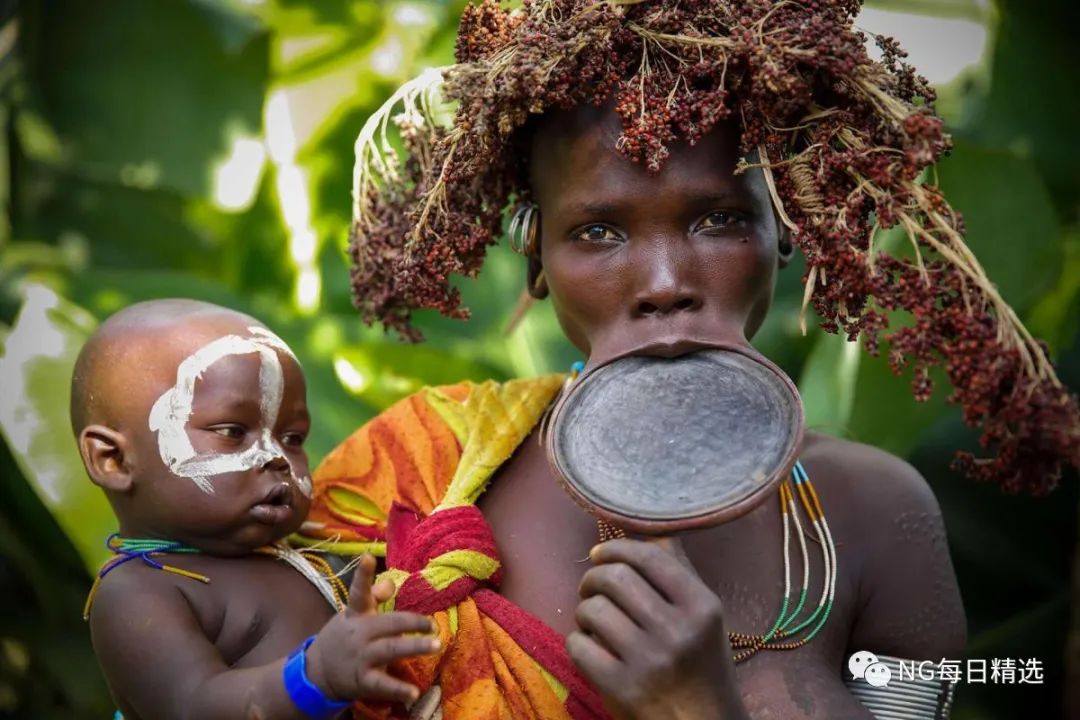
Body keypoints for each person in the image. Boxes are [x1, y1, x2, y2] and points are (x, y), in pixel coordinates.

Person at [299, 1, 1080, 718]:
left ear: (788, 237)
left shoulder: (877, 516)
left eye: (719, 220)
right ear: (535, 261)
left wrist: (700, 706)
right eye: (598, 232)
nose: (665, 283)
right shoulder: (429, 475)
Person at [74, 299, 442, 720]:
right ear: (113, 461)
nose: (276, 457)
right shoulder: (137, 592)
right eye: (233, 431)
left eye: (292, 437)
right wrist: (315, 676)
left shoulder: (309, 550)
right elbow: (193, 706)